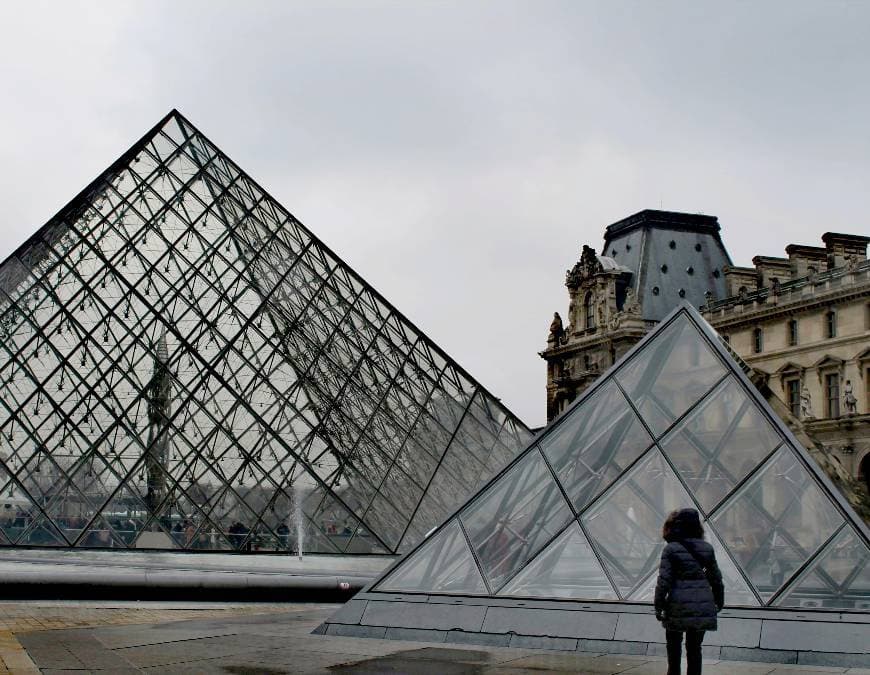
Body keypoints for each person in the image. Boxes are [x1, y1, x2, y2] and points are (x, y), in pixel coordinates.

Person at [654, 508, 724, 675]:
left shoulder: (671, 549)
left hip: (677, 605)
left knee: (673, 647)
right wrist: (719, 601)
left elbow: (664, 581)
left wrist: (658, 605)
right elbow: (716, 579)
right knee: (694, 649)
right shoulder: (707, 548)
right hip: (702, 604)